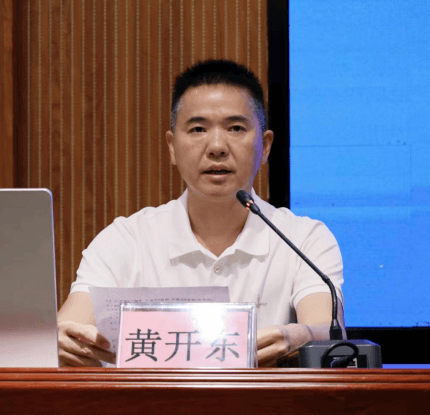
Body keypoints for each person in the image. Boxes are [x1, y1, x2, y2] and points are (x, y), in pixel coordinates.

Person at [57, 59, 346, 367]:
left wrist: (294, 337)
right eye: (198, 129)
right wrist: (61, 340)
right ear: (172, 147)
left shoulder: (304, 239)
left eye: (236, 128)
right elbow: (67, 329)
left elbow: (329, 332)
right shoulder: (125, 239)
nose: (217, 146)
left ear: (265, 146)